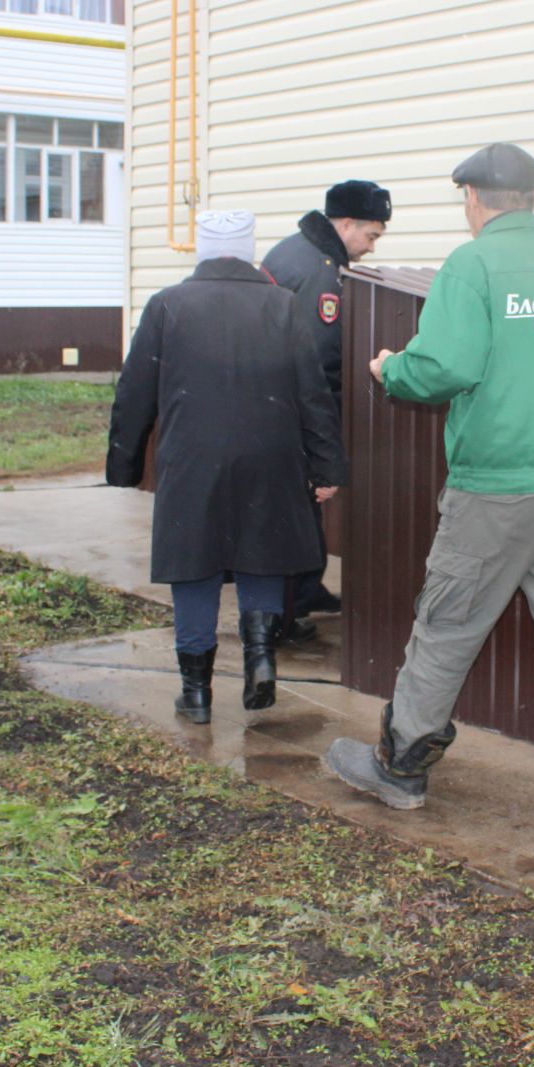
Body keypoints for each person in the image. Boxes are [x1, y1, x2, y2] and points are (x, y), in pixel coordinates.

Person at [322, 144, 534, 853]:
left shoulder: (473, 265)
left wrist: (390, 369)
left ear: (473, 199)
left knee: (446, 628)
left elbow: (445, 367)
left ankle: (399, 769)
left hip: (497, 488)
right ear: (530, 196)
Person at [107, 210, 348, 723]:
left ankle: (196, 694)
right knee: (262, 550)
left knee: (193, 565)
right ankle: (260, 658)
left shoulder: (167, 305)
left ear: (200, 251)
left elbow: (133, 394)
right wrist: (326, 467)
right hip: (272, 454)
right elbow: (313, 391)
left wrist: (124, 465)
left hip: (191, 458)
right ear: (248, 251)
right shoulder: (282, 305)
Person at [260, 180, 393, 633]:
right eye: (371, 236)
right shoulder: (321, 272)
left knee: (297, 512)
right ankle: (284, 610)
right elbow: (319, 363)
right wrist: (328, 437)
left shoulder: (297, 249)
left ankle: (303, 588)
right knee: (295, 514)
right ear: (347, 223)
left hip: (272, 402)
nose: (371, 248)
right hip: (292, 410)